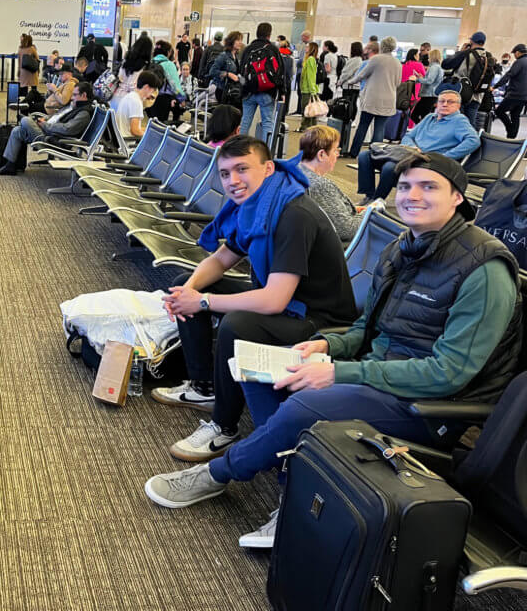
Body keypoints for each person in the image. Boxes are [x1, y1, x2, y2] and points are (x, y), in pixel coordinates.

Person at [144, 153, 520, 553]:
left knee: (304, 406)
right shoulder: (402, 248)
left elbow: (449, 373)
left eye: (429, 187)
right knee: (262, 367)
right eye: (406, 186)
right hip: (380, 373)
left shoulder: (485, 269)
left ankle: (218, 474)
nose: (412, 196)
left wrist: (341, 373)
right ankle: (294, 490)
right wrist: (327, 345)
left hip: (429, 405)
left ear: (457, 198)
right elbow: (364, 329)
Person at [151, 135, 357, 466]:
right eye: (225, 173)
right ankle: (206, 387)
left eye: (242, 169)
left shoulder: (294, 214)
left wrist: (202, 302)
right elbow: (220, 260)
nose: (233, 181)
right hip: (289, 306)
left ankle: (224, 426)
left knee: (236, 325)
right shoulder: (256, 205)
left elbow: (274, 300)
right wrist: (186, 292)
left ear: (268, 168)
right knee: (182, 285)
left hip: (320, 320)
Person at [357, 89, 480, 204]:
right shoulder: (430, 117)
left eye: (450, 102)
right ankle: (369, 195)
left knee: (390, 167)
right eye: (442, 101)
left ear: (458, 106)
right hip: (410, 153)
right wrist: (413, 147)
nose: (445, 104)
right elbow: (408, 136)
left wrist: (445, 157)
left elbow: (473, 141)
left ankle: (377, 201)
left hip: (427, 160)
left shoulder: (459, 121)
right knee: (364, 156)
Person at [0, 82, 96, 175]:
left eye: (75, 95)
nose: (72, 97)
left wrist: (45, 125)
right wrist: (45, 119)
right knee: (18, 130)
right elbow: (57, 117)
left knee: (25, 121)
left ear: (84, 95)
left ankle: (26, 123)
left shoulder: (83, 113)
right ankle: (10, 166)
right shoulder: (75, 106)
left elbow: (67, 129)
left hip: (52, 139)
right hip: (49, 131)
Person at [297, 125, 364, 242]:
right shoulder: (320, 185)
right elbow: (347, 230)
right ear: (321, 154)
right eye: (335, 150)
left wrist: (354, 210)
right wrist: (370, 212)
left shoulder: (296, 170)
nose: (338, 154)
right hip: (336, 249)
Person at [346, 37, 402, 157]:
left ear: (382, 46)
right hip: (389, 99)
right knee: (380, 128)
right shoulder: (397, 62)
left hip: (372, 98)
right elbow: (398, 83)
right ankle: (375, 154)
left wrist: (349, 82)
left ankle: (353, 152)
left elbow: (361, 75)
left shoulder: (376, 59)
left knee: (363, 125)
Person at [238, 22, 284, 142]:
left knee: (245, 122)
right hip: (267, 91)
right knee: (267, 123)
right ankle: (266, 152)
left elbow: (241, 70)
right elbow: (280, 71)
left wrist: (242, 88)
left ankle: (237, 149)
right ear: (269, 34)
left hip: (248, 91)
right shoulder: (272, 49)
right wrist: (282, 91)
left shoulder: (248, 49)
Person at [442, 31, 493, 127]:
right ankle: (470, 139)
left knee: (456, 121)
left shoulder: (466, 54)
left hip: (461, 93)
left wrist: (461, 52)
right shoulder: (489, 56)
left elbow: (445, 64)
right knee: (470, 123)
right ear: (483, 43)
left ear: (471, 41)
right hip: (478, 95)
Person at [494, 43, 527, 139]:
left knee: (499, 111)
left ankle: (510, 129)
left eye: (514, 54)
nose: (514, 56)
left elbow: (509, 75)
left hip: (514, 94)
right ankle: (511, 137)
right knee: (515, 115)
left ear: (518, 52)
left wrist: (496, 86)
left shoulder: (519, 62)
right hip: (524, 96)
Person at [115, 71, 160, 139]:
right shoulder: (136, 102)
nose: (152, 94)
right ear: (146, 87)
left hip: (120, 137)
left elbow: (134, 126)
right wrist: (151, 137)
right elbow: (135, 131)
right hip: (128, 142)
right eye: (153, 90)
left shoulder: (130, 96)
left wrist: (150, 131)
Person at [114, 34, 153, 103]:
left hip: (116, 96)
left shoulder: (126, 60)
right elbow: (132, 86)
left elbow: (120, 77)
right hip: (129, 100)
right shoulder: (143, 65)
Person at [410, 48, 443, 124]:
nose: (428, 58)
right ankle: (423, 130)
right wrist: (422, 78)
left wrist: (417, 79)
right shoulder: (438, 67)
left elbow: (429, 81)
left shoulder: (434, 67)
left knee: (416, 115)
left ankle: (423, 130)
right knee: (425, 117)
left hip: (428, 95)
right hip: (431, 95)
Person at [211, 31, 243, 107]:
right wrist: (228, 74)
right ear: (231, 41)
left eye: (241, 40)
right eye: (238, 40)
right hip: (223, 91)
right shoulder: (223, 56)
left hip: (234, 92)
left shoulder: (237, 57)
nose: (240, 42)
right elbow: (212, 71)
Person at [298, 41, 320, 130]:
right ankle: (308, 127)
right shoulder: (309, 59)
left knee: (308, 110)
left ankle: (307, 127)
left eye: (307, 47)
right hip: (306, 89)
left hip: (308, 90)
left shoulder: (310, 59)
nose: (305, 48)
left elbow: (311, 76)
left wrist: (312, 92)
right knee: (309, 109)